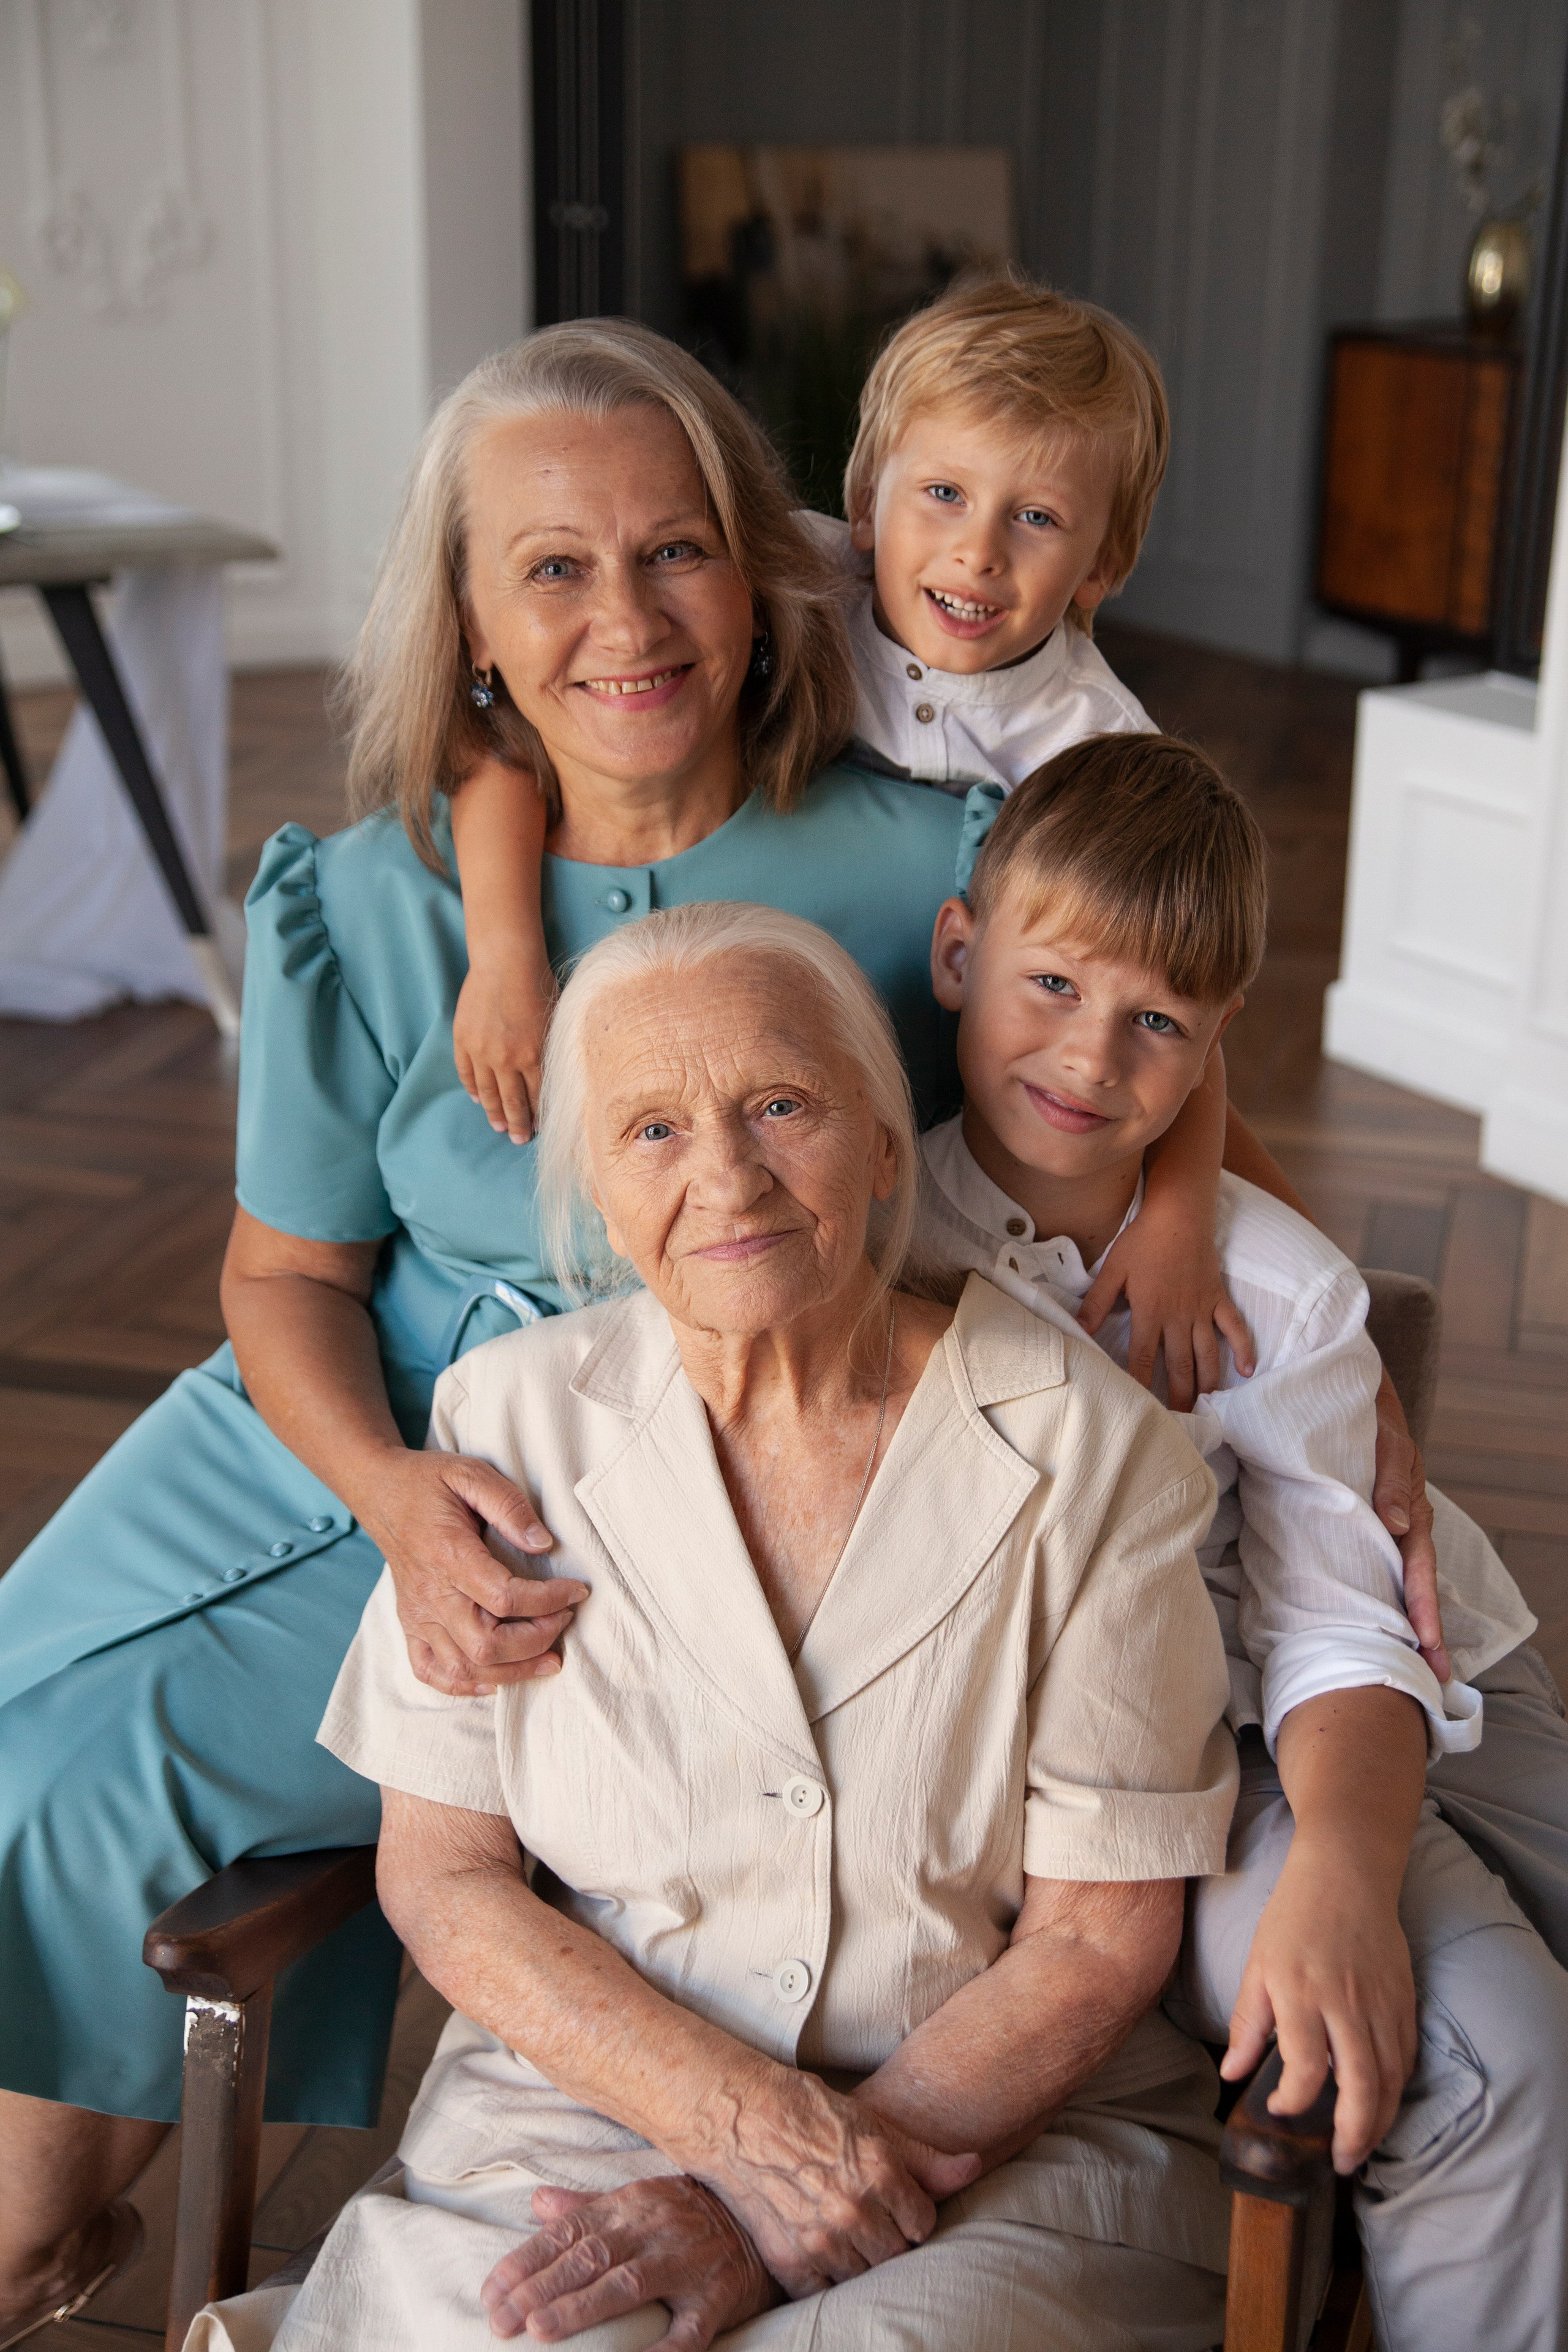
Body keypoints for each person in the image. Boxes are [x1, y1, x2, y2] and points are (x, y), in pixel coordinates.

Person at [0, 320, 995, 2345]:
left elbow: (1104, 1144)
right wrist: (381, 1492)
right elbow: (285, 1278)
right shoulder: (362, 902)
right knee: (17, 1755)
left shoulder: (925, 874)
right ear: (466, 615)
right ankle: (51, 2248)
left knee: (77, 1809)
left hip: (612, 1539)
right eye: (551, 566)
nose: (624, 618)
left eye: (675, 551)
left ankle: (39, 2239)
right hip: (320, 1464)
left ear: (756, 570)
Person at [191, 904, 1239, 2352]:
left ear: (882, 1145)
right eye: (652, 1134)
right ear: (596, 1203)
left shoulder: (1093, 1453)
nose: (728, 1178)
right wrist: (730, 2129)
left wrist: (770, 2195)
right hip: (587, 2111)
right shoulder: (506, 1427)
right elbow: (445, 1873)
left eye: (781, 1106)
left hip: (996, 2145)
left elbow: (1094, 1935)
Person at [442, 277, 1441, 1638]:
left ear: (1100, 565)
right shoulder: (796, 575)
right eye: (941, 500)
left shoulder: (1090, 745)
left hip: (992, 1061)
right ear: (864, 505)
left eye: (1034, 521)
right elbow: (489, 742)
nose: (972, 560)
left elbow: (1161, 1011)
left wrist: (1178, 1218)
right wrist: (502, 952)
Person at [917, 730, 1568, 2352]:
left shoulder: (1274, 1289)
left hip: (1391, 1674)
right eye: (1052, 987)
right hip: (1180, 1753)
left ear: (1212, 1050)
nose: (1090, 1058)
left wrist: (1347, 1867)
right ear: (956, 953)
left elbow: (1350, 1619)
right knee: (1501, 2047)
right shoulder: (872, 1236)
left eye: (1157, 1027)